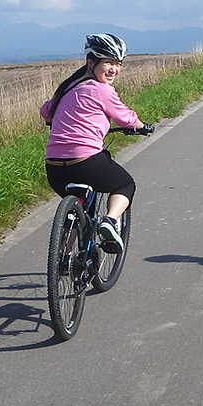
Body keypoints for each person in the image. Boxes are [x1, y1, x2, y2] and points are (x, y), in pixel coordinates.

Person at [40, 33, 154, 253]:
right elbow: (125, 118)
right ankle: (110, 221)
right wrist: (142, 126)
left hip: (54, 167)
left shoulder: (68, 88)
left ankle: (64, 257)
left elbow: (46, 112)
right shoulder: (100, 89)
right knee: (125, 185)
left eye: (118, 64)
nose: (114, 69)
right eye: (108, 62)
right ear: (91, 62)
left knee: (78, 209)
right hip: (86, 162)